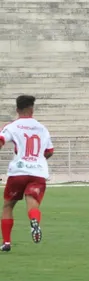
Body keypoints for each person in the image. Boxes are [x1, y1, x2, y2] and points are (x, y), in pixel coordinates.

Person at [0, 95, 54, 252]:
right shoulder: (42, 128)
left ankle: (7, 243)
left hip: (18, 172)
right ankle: (34, 221)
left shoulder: (13, 126)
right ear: (32, 109)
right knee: (32, 203)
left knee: (8, 206)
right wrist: (37, 160)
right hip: (37, 172)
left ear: (17, 110)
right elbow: (49, 151)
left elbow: (1, 140)